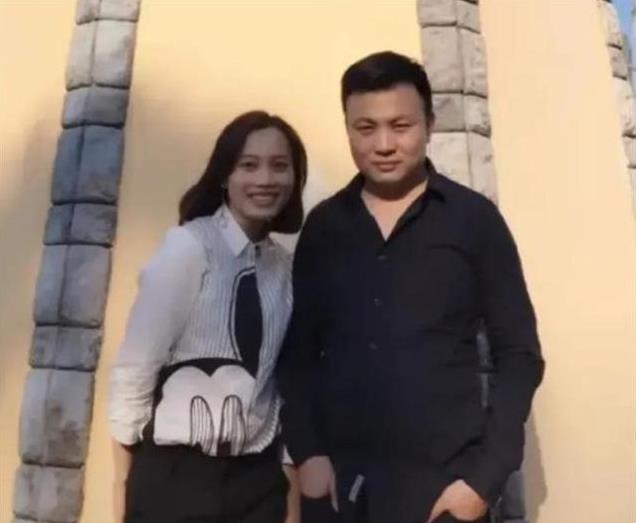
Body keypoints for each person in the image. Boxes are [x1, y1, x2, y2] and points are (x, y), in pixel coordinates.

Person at [278, 51, 545, 523]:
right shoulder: (324, 227)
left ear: (429, 125)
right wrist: (307, 454)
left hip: (444, 494)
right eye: (366, 128)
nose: (384, 144)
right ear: (348, 129)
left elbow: (519, 354)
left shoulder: (474, 221)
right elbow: (297, 355)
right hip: (339, 491)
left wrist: (484, 480)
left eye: (400, 126)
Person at [108, 110, 307, 523]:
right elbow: (136, 367)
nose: (265, 179)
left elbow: (279, 386)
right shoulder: (188, 248)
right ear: (224, 175)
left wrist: (288, 499)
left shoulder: (283, 270)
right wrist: (124, 484)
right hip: (177, 477)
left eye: (279, 166)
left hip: (255, 483)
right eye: (248, 165)